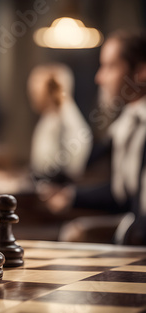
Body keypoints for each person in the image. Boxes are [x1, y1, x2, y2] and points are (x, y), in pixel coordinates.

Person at [48, 30, 146, 245]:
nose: (99, 77)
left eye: (111, 67)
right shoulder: (126, 124)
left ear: (141, 70)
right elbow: (122, 193)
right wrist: (71, 195)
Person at [28, 63, 92, 185]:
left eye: (36, 91)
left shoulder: (66, 120)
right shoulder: (48, 117)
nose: (33, 96)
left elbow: (71, 168)